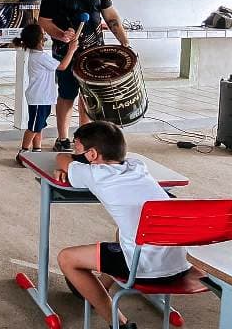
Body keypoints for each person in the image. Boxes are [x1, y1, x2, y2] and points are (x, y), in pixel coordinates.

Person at [54, 121, 191, 329]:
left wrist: (73, 161)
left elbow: (61, 158)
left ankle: (120, 324)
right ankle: (100, 287)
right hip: (178, 263)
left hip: (145, 268)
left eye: (78, 147)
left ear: (91, 155)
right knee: (123, 231)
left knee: (66, 258)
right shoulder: (138, 166)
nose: (76, 151)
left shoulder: (95, 174)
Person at [38, 0, 129, 152]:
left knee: (90, 97)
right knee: (67, 94)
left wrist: (125, 42)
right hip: (66, 53)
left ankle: (85, 139)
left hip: (95, 53)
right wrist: (61, 34)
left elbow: (110, 15)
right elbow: (43, 20)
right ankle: (63, 138)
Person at [12, 23, 79, 164]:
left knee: (40, 125)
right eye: (43, 34)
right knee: (34, 127)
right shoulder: (41, 57)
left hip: (42, 98)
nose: (46, 36)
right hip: (38, 98)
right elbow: (62, 66)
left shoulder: (38, 55)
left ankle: (37, 149)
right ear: (39, 40)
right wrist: (71, 50)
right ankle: (23, 152)